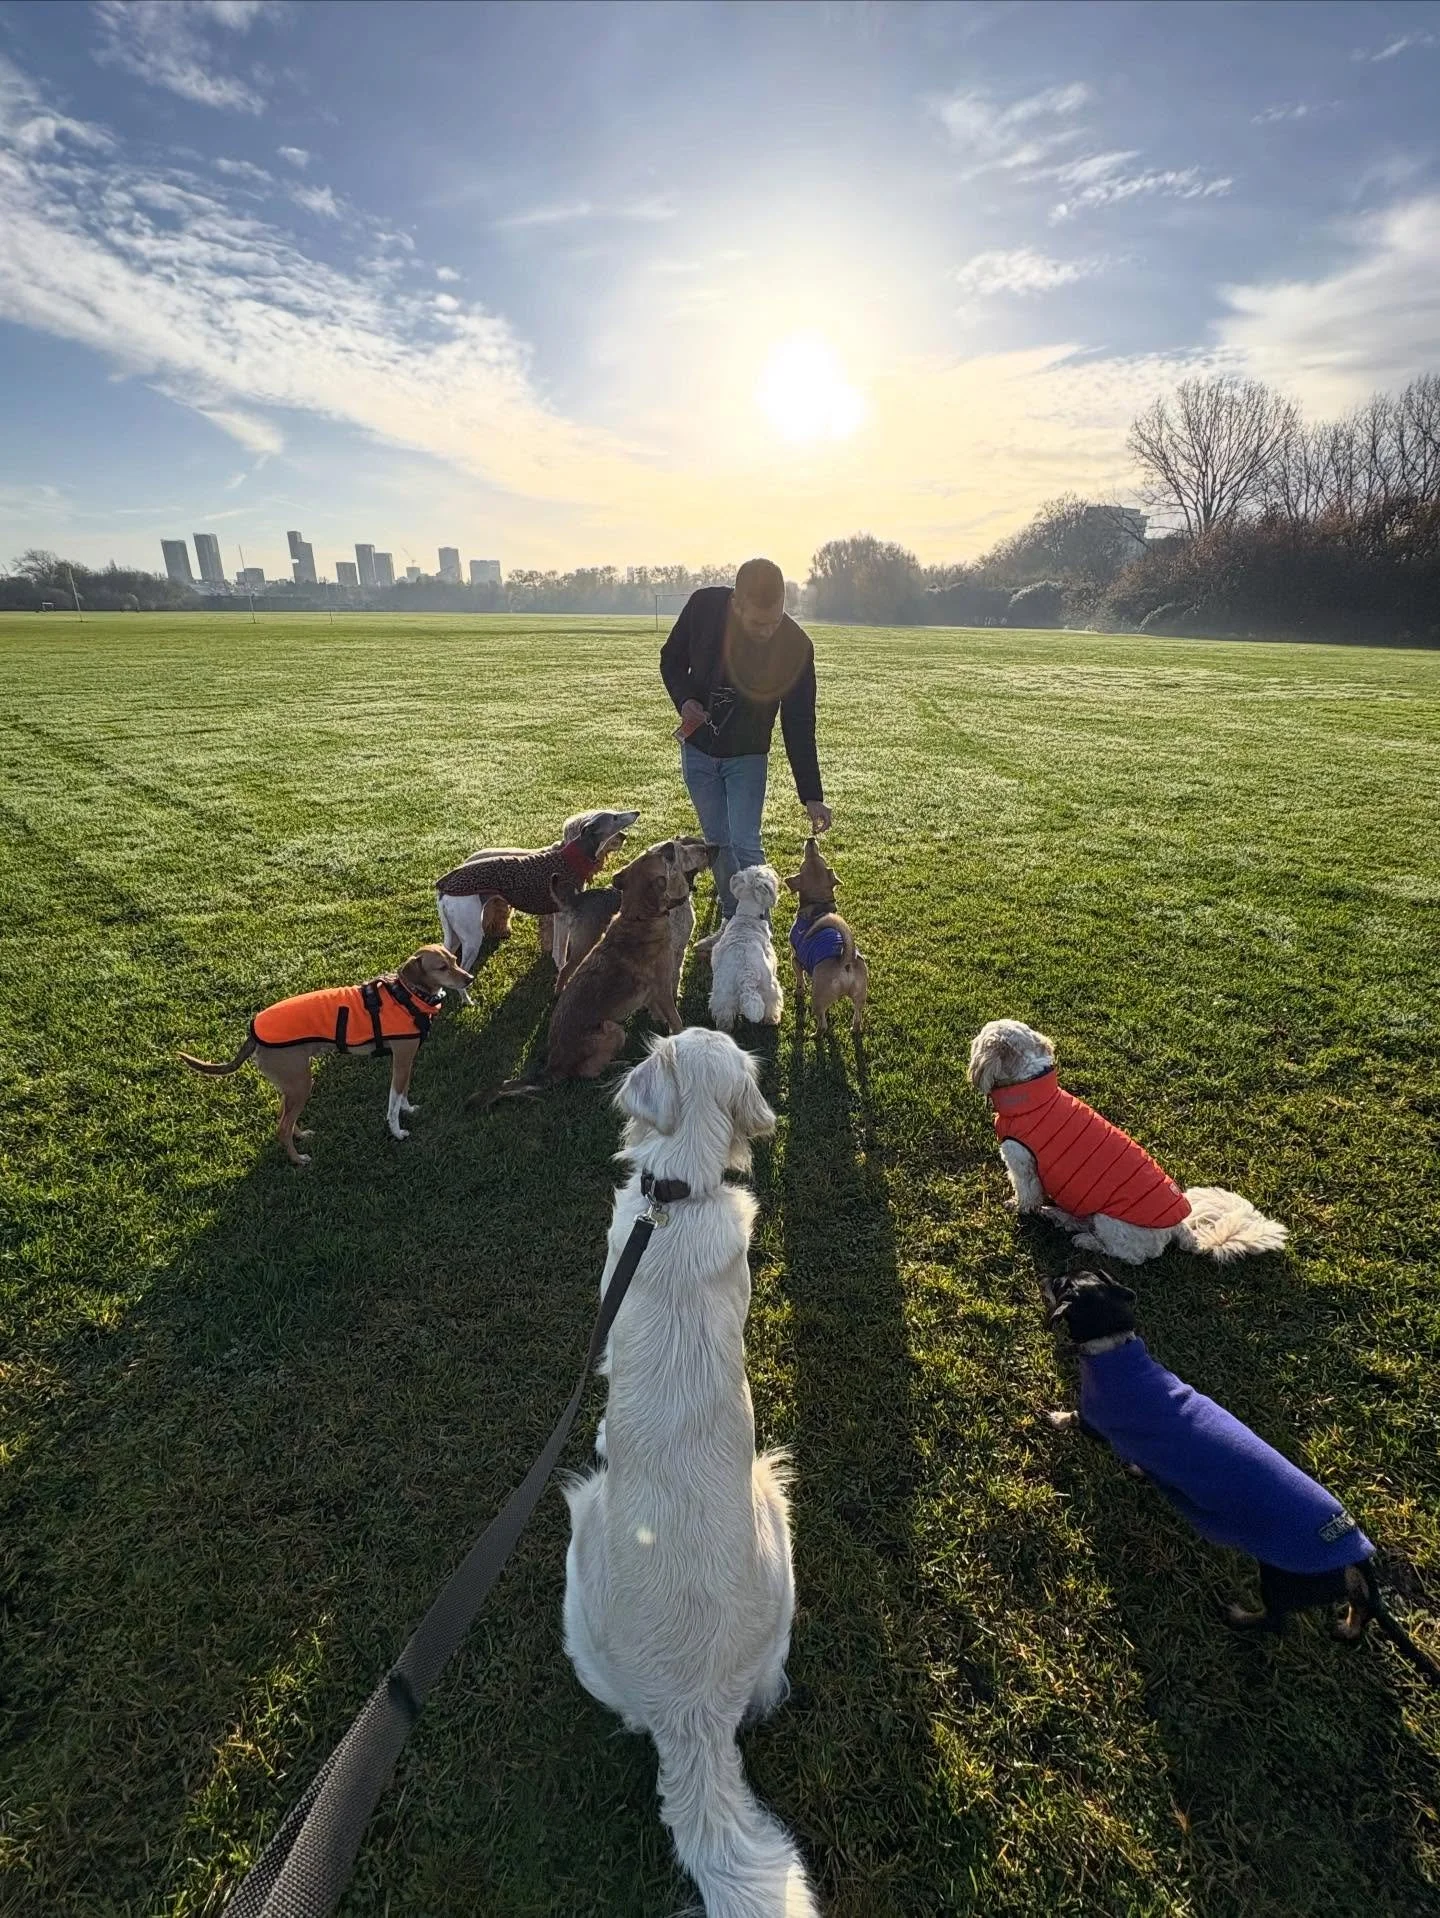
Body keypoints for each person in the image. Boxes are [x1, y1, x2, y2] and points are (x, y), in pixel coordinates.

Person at [660, 558, 831, 931]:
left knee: (745, 842)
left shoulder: (796, 646)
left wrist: (811, 794)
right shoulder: (704, 607)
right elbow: (670, 659)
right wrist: (685, 699)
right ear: (735, 603)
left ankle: (759, 930)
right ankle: (730, 916)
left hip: (748, 756)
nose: (769, 630)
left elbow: (800, 722)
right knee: (718, 841)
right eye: (758, 622)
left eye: (776, 620)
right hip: (698, 748)